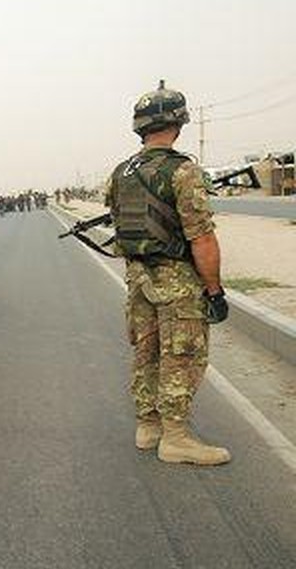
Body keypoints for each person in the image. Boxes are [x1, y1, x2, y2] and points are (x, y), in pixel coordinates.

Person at [105, 80, 230, 466]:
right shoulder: (184, 171)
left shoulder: (121, 173)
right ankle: (176, 438)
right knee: (181, 355)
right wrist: (214, 291)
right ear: (177, 125)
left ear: (140, 127)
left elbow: (122, 223)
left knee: (146, 352)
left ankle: (148, 427)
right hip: (176, 280)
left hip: (138, 279)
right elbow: (202, 238)